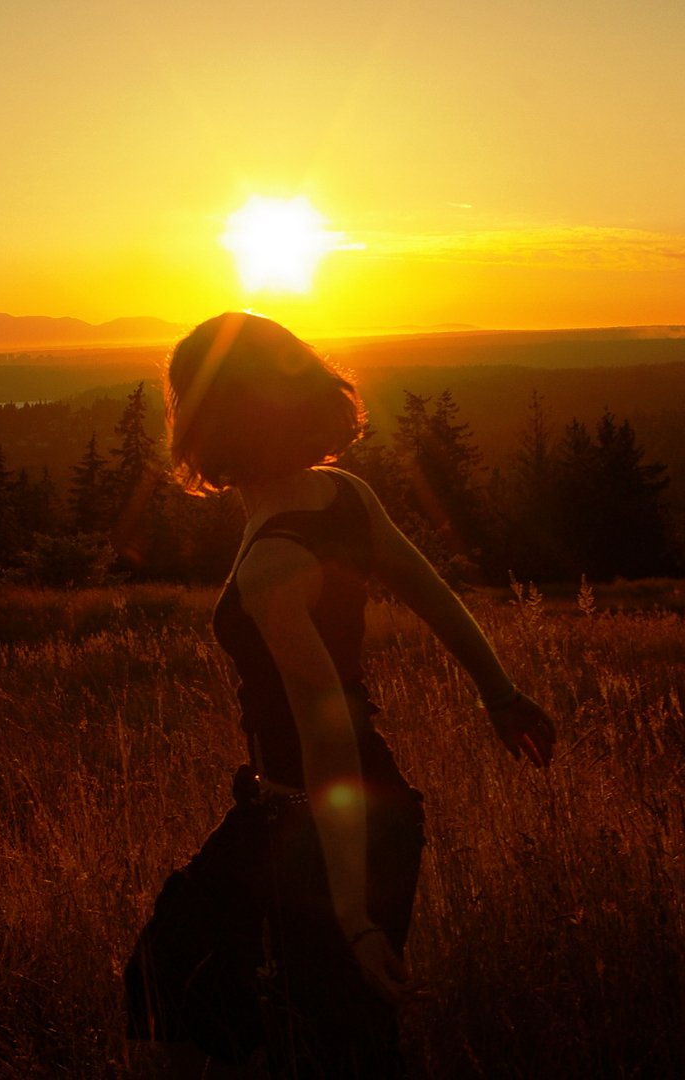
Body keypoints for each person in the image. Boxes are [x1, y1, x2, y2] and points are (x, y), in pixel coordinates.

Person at [124, 313, 557, 1077]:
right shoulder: (340, 496)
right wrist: (501, 695)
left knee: (327, 1039)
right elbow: (435, 596)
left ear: (199, 418)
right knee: (177, 979)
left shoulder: (272, 564)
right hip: (316, 811)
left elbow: (326, 733)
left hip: (322, 818)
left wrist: (352, 916)